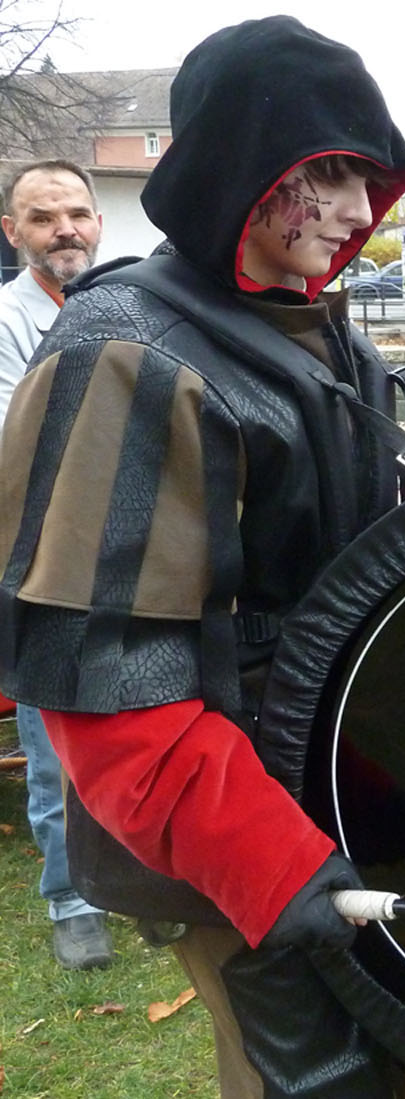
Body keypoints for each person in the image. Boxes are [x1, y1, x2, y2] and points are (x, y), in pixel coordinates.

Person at [0, 17, 405, 1098]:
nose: (356, 209)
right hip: (233, 829)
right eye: (327, 173)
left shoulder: (320, 333)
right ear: (248, 166)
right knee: (314, 1083)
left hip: (326, 792)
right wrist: (273, 866)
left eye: (366, 176)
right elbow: (106, 679)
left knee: (373, 1070)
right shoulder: (125, 352)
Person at [0, 158, 114, 970]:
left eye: (75, 213)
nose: (63, 229)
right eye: (43, 217)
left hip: (133, 550)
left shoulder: (125, 304)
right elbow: (22, 443)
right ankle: (71, 897)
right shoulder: (6, 322)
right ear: (13, 232)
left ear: (98, 222)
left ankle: (140, 876)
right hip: (38, 560)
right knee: (53, 738)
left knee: (137, 718)